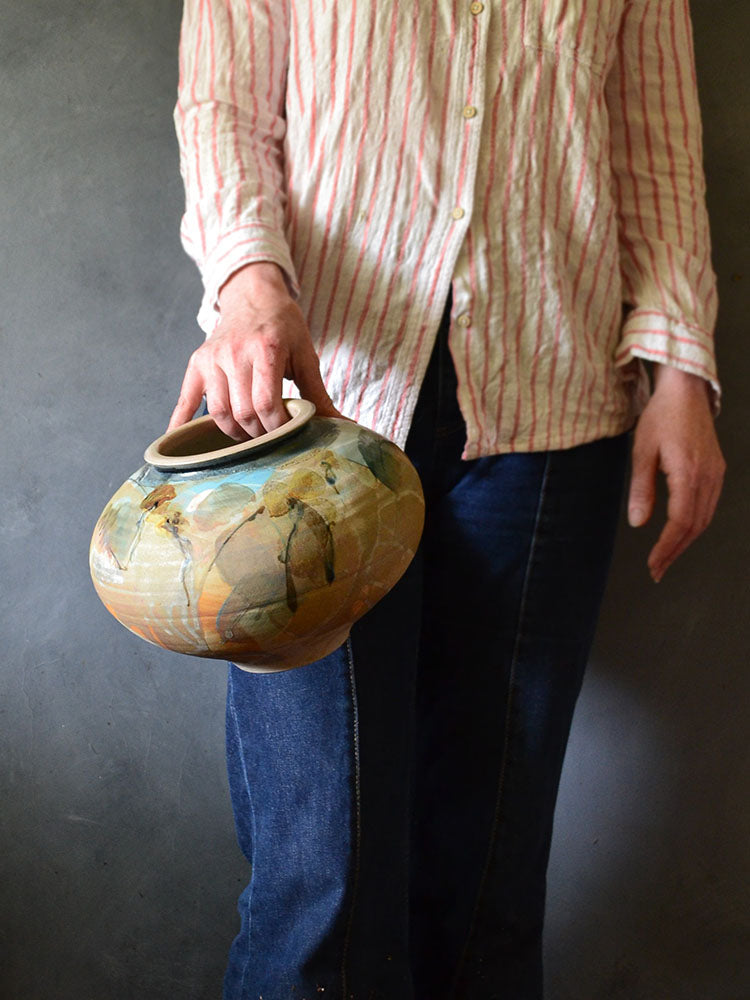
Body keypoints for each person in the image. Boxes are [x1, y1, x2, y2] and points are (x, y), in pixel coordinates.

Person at [169, 3, 725, 998]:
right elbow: (222, 105)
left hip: (551, 401)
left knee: (487, 889)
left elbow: (657, 141)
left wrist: (680, 369)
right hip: (313, 406)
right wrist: (249, 284)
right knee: (320, 886)